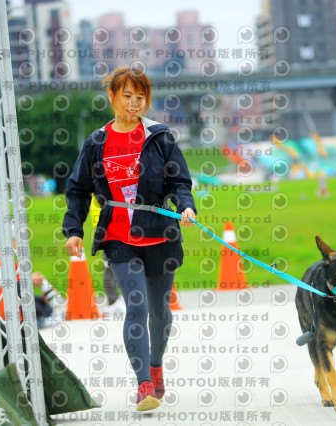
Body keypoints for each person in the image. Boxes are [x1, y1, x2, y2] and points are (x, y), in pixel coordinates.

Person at [62, 66, 196, 412]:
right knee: (136, 307)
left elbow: (179, 181)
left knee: (160, 312)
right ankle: (144, 384)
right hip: (119, 238)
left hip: (160, 234)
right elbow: (78, 189)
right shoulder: (97, 142)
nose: (135, 103)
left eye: (141, 97)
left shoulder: (159, 137)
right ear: (112, 96)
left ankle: (156, 366)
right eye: (128, 96)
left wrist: (185, 206)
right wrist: (74, 230)